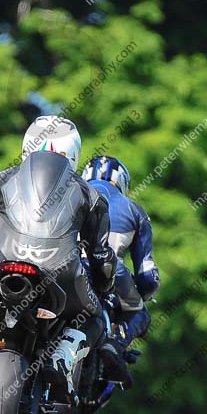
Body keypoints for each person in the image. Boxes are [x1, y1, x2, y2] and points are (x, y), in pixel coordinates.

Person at [0, 115, 117, 403]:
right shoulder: (92, 195)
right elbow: (103, 260)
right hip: (63, 272)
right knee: (96, 316)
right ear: (73, 154)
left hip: (0, 260)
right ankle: (63, 355)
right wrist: (103, 287)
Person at [80, 155, 160, 385]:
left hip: (59, 264)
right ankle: (114, 345)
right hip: (110, 271)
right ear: (122, 182)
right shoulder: (135, 210)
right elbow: (147, 274)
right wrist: (144, 293)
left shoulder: (68, 192)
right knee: (140, 313)